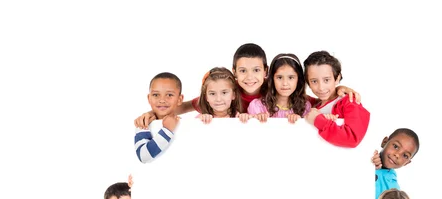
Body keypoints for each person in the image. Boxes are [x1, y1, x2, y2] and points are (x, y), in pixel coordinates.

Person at [134, 43, 359, 127]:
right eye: (242, 71)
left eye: (256, 71)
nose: (249, 77)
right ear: (234, 74)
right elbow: (192, 105)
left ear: (265, 73)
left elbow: (314, 102)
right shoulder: (226, 95)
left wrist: (340, 89)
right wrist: (154, 114)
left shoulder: (276, 94)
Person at [303, 50, 370, 148]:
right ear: (308, 83)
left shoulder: (350, 101)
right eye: (314, 81)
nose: (321, 87)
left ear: (337, 78)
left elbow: (353, 138)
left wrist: (317, 120)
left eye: (326, 80)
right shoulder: (313, 104)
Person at [245, 53, 311, 123]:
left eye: (291, 77)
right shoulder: (257, 106)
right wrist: (256, 119)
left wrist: (299, 121)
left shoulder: (305, 107)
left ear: (298, 79)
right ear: (272, 79)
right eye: (279, 77)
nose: (285, 83)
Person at [134, 72, 183, 163]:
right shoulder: (144, 123)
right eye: (156, 95)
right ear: (149, 98)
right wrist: (167, 130)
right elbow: (143, 156)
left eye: (169, 95)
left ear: (179, 99)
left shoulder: (184, 122)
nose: (162, 100)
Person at [372, 128, 420, 199]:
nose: (397, 155)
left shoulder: (393, 188)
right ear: (384, 142)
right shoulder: (368, 154)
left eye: (405, 155)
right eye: (395, 146)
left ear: (407, 163)